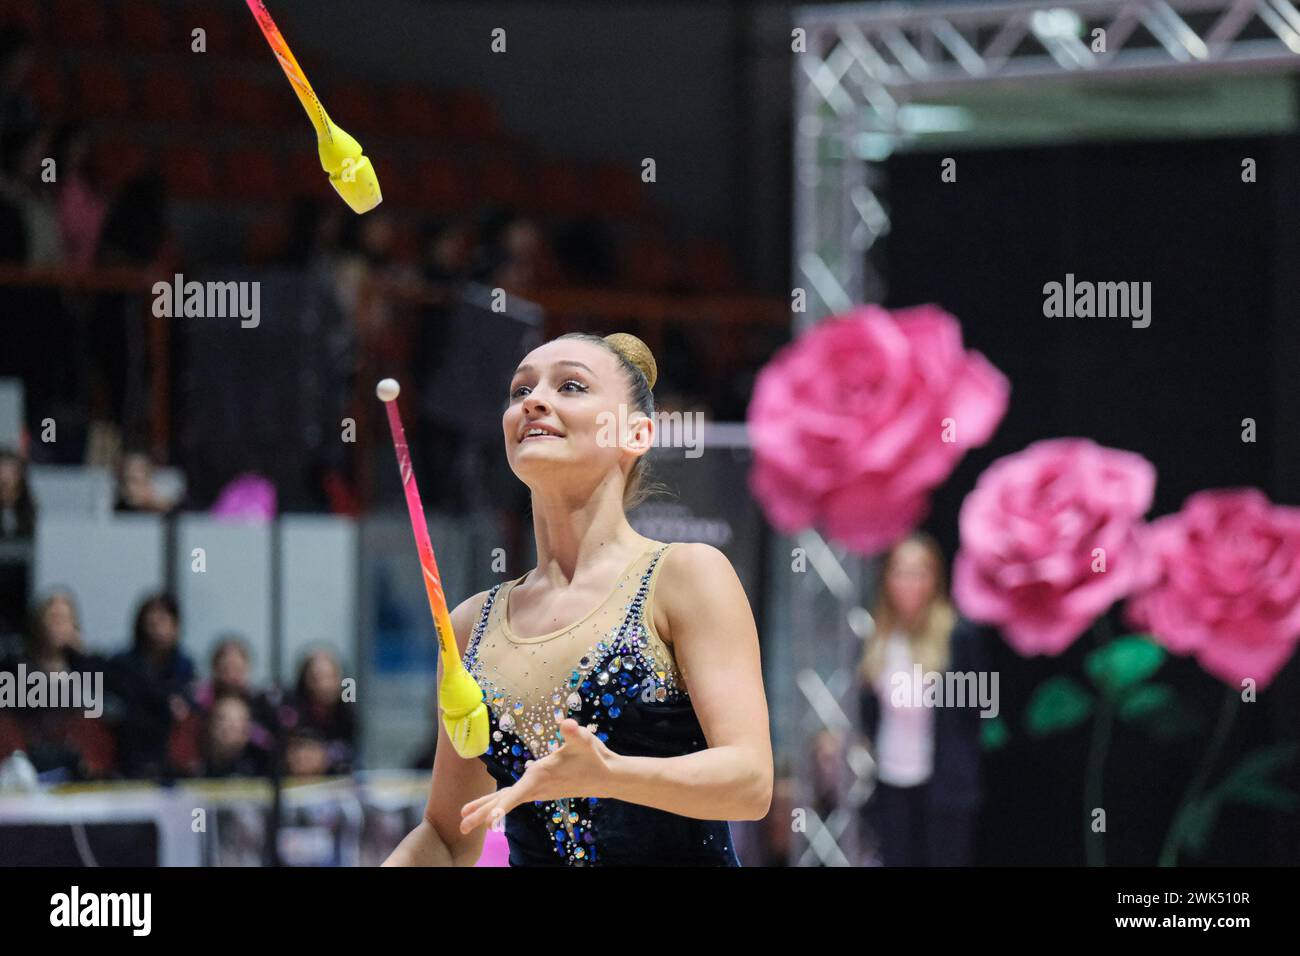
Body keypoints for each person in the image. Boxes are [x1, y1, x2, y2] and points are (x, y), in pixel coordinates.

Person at [384, 332, 772, 866]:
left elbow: (749, 783)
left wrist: (609, 775)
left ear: (636, 434)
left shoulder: (685, 576)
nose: (533, 401)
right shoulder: (472, 625)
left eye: (570, 385)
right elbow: (449, 836)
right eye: (520, 390)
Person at [857, 532, 985, 866]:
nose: (908, 582)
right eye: (900, 572)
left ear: (934, 578)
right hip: (891, 775)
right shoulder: (878, 636)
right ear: (887, 579)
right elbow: (868, 710)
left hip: (944, 780)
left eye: (918, 572)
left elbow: (977, 707)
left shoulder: (958, 634)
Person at [107, 592, 196, 779]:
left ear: (176, 626)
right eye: (151, 623)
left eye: (163, 621)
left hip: (169, 752)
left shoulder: (184, 666)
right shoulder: (122, 665)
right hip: (127, 751)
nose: (156, 629)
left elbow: (185, 708)